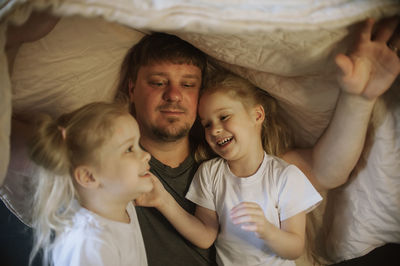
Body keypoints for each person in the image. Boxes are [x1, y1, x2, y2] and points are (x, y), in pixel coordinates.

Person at [118, 18, 400, 266]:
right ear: (131, 89)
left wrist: (359, 99)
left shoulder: (228, 159)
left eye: (188, 84)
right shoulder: (111, 164)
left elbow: (325, 169)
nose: (174, 95)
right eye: (157, 82)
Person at [136, 72, 323, 266]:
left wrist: (267, 230)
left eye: (224, 117)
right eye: (207, 124)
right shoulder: (209, 173)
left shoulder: (285, 176)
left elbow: (294, 248)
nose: (214, 130)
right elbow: (205, 236)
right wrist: (164, 201)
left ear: (257, 115)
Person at [27, 101, 153, 266]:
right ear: (89, 177)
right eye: (129, 149)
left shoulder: (121, 204)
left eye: (138, 145)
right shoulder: (91, 245)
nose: (147, 155)